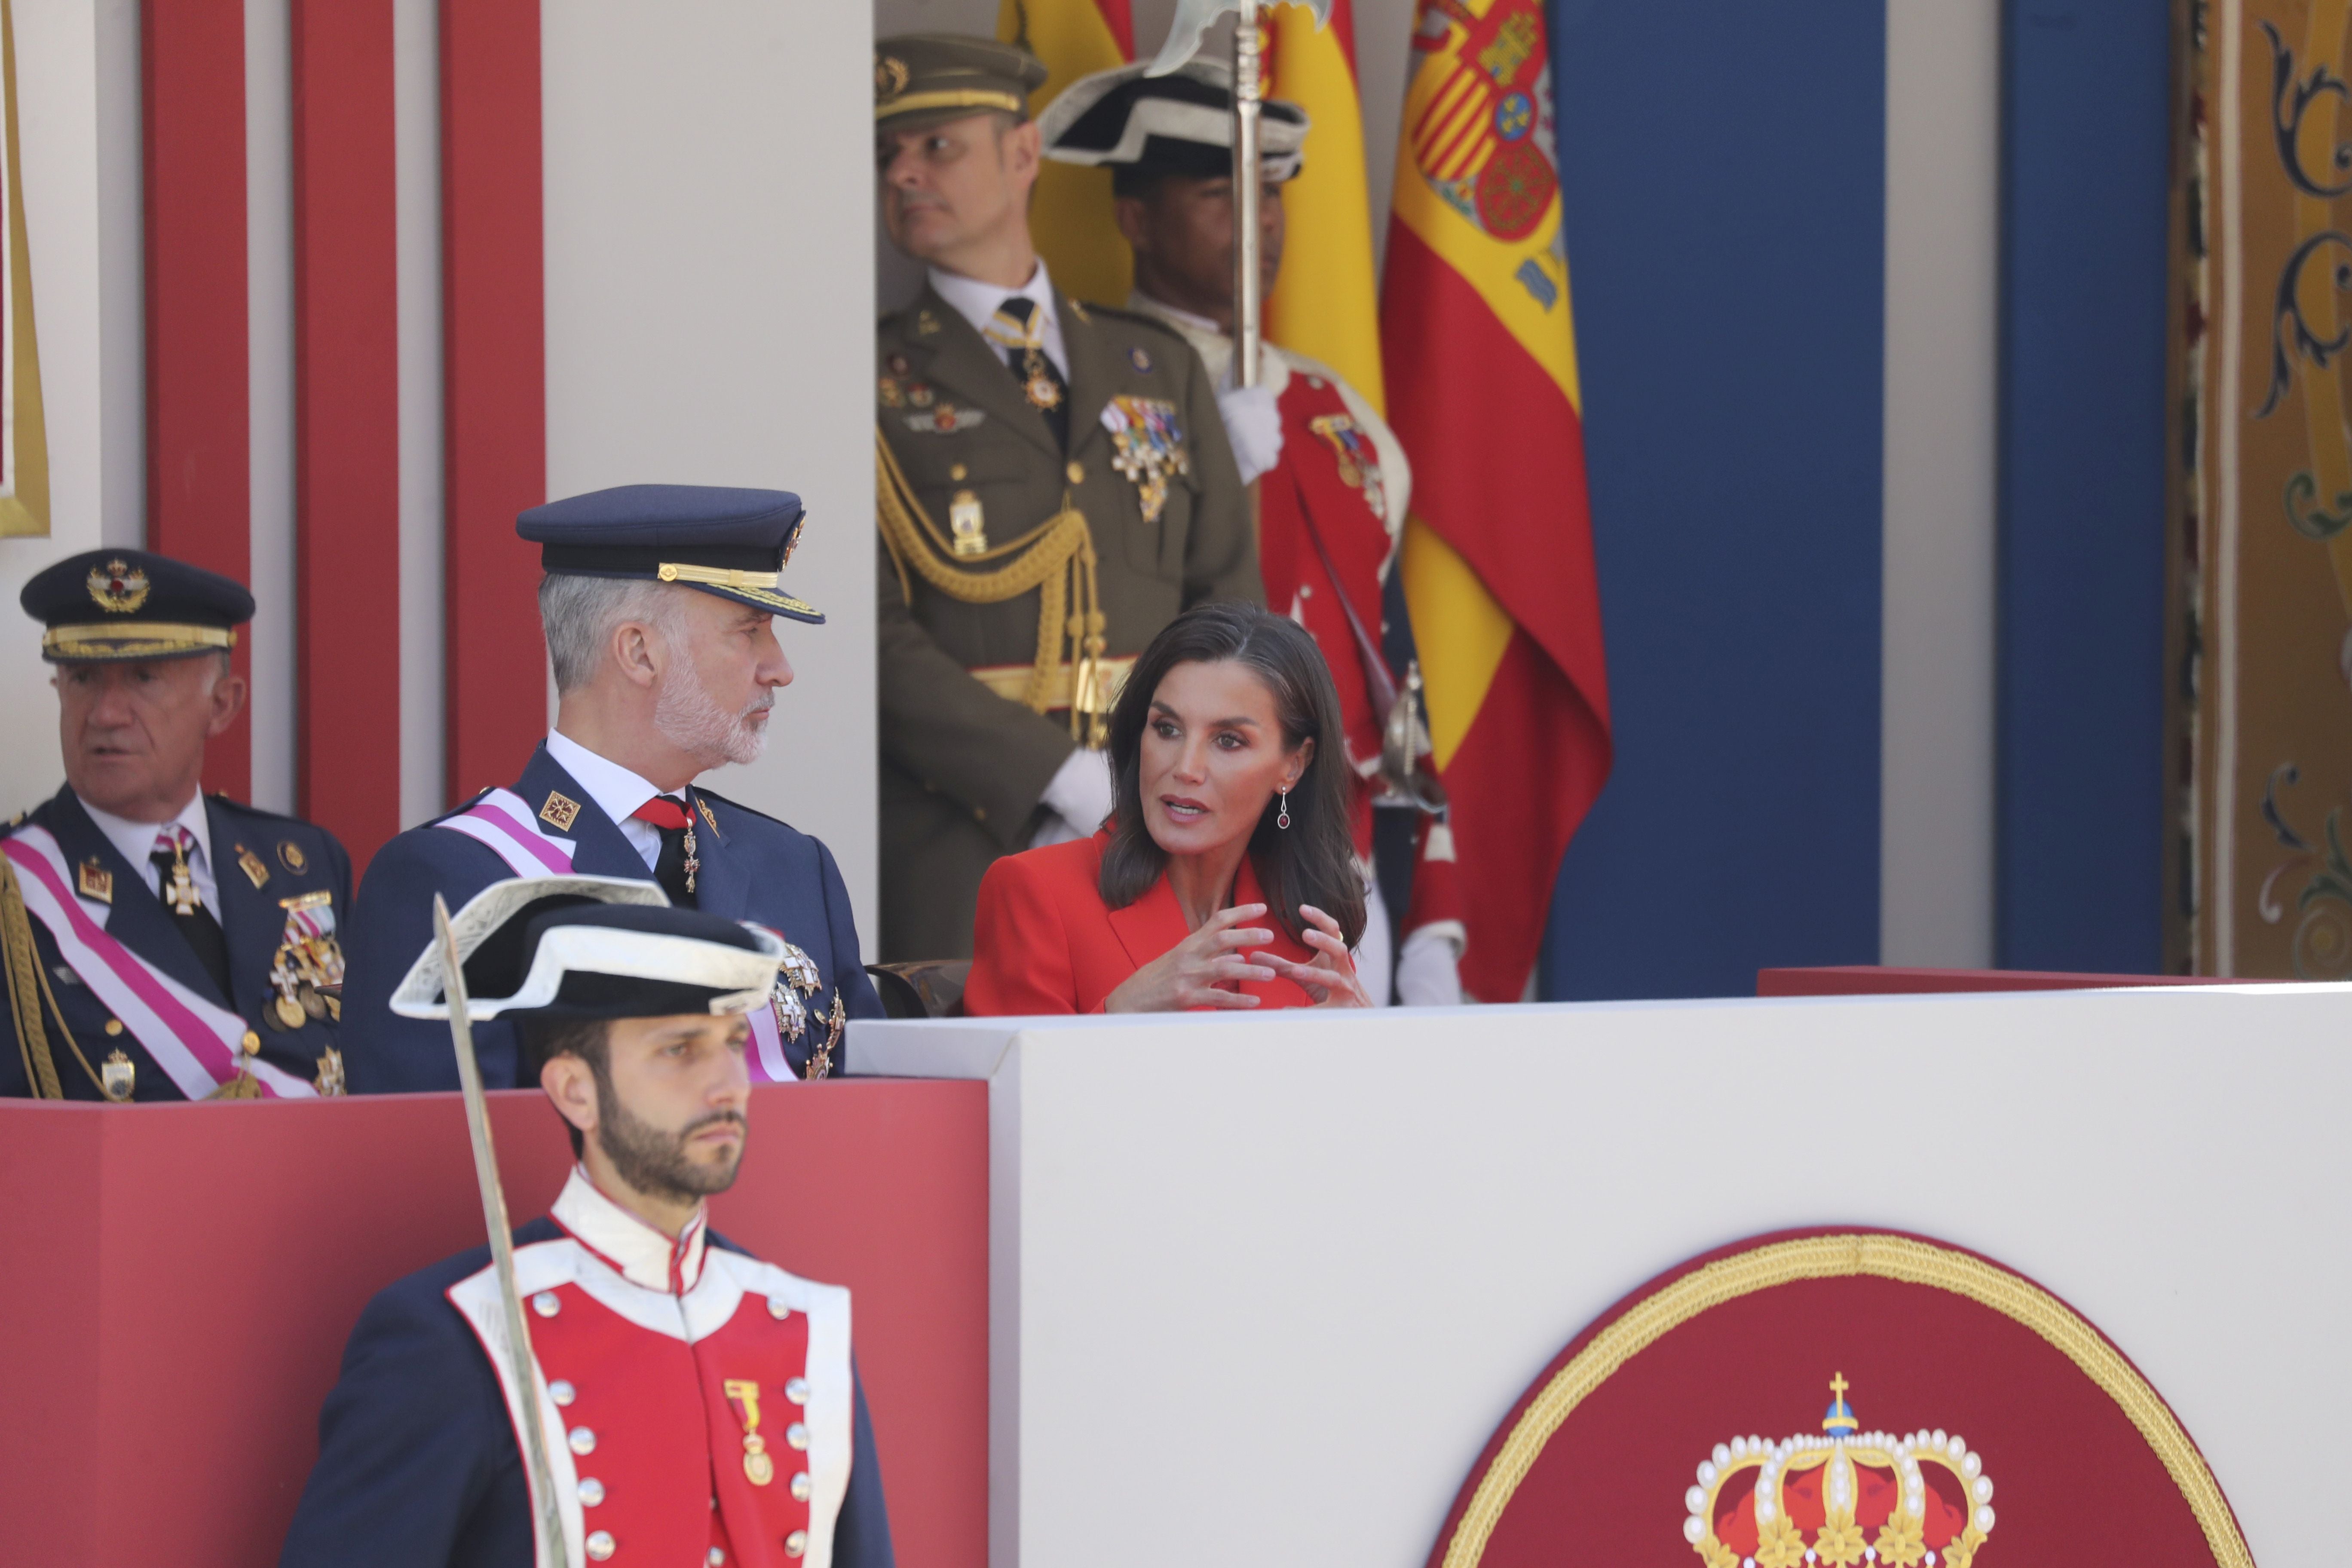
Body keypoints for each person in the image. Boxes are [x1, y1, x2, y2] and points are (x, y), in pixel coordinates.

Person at [279, 878, 895, 1568]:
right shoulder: (456, 1336)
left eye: (730, 1042)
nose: (729, 1083)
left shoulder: (806, 1326)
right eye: (679, 1050)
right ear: (576, 1090)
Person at [1039, 58, 1468, 1007]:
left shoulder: (1333, 409)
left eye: (1269, 197)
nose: (1259, 223)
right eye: (1219, 195)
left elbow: (1387, 661)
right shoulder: (1096, 381)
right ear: (1137, 218)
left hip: (1329, 837)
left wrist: (1433, 901)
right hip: (1173, 838)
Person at [872, 33, 1262, 964]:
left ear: (1022, 155)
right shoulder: (867, 380)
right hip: (968, 840)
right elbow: (872, 641)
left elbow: (1229, 605)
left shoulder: (1152, 365)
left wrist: (1173, 774)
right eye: (889, 154)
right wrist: (1056, 779)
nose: (905, 174)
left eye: (938, 146)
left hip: (1167, 827)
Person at [339, 485, 881, 1094]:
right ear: (639, 653)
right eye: (750, 630)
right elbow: (433, 1164)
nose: (780, 668)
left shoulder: (795, 866)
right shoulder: (452, 879)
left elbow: (876, 1113)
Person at [0, 549, 352, 1100]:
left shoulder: (303, 864)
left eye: (144, 678)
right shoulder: (16, 888)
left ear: (222, 706)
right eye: (84, 679)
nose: (106, 714)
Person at [963, 602, 1373, 1014]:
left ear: (1293, 765)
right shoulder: (1035, 891)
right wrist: (1118, 1014)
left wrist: (1360, 1043)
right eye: (1167, 729)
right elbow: (1013, 1075)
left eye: (1228, 740)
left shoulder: (1303, 924)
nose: (1185, 768)